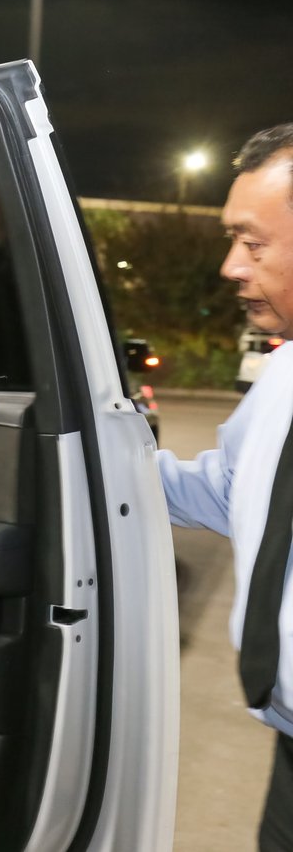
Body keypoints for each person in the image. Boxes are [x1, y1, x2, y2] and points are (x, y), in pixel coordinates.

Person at [157, 123, 293, 851]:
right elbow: (236, 491)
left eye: (252, 242)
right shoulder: (283, 375)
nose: (230, 266)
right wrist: (99, 469)